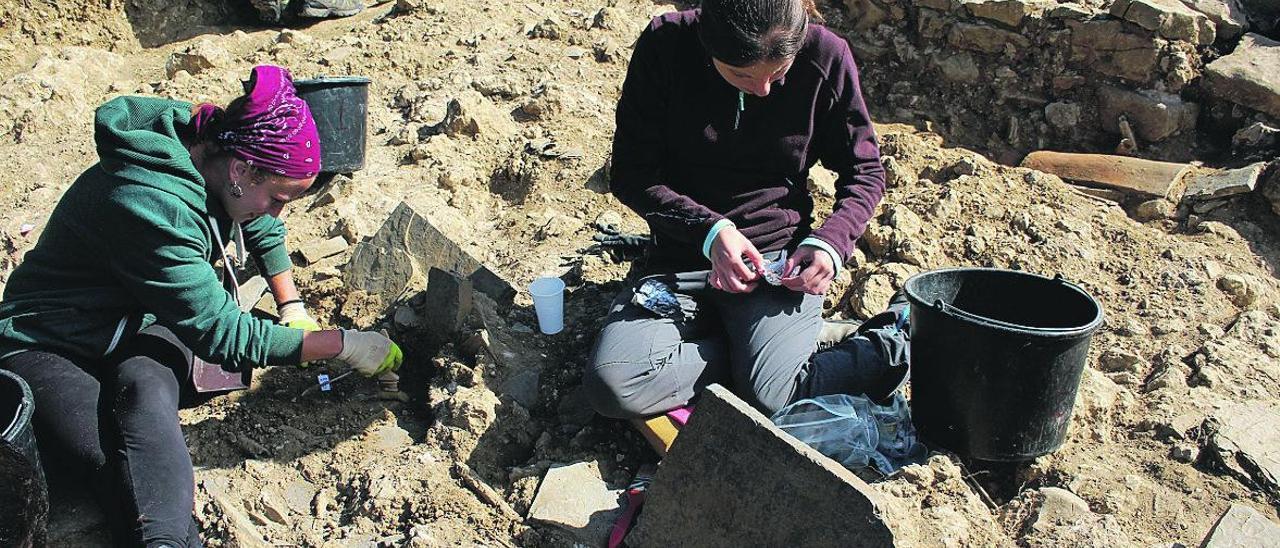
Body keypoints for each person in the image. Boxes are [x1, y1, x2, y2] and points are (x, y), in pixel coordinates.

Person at [0, 65, 402, 547]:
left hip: (136, 319)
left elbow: (260, 225)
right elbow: (223, 333)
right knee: (109, 461)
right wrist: (342, 344)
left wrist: (291, 303)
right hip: (48, 341)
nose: (278, 212)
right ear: (241, 170)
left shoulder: (209, 148)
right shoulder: (151, 201)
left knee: (146, 395)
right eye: (277, 197)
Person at [585, 0, 897, 420]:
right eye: (741, 75)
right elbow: (631, 174)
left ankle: (889, 342)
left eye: (778, 73)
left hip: (775, 263)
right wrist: (710, 233)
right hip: (682, 256)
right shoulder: (666, 46)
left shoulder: (825, 57)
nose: (764, 89)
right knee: (614, 386)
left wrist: (828, 243)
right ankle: (762, 352)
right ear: (707, 43)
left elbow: (865, 171)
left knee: (769, 398)